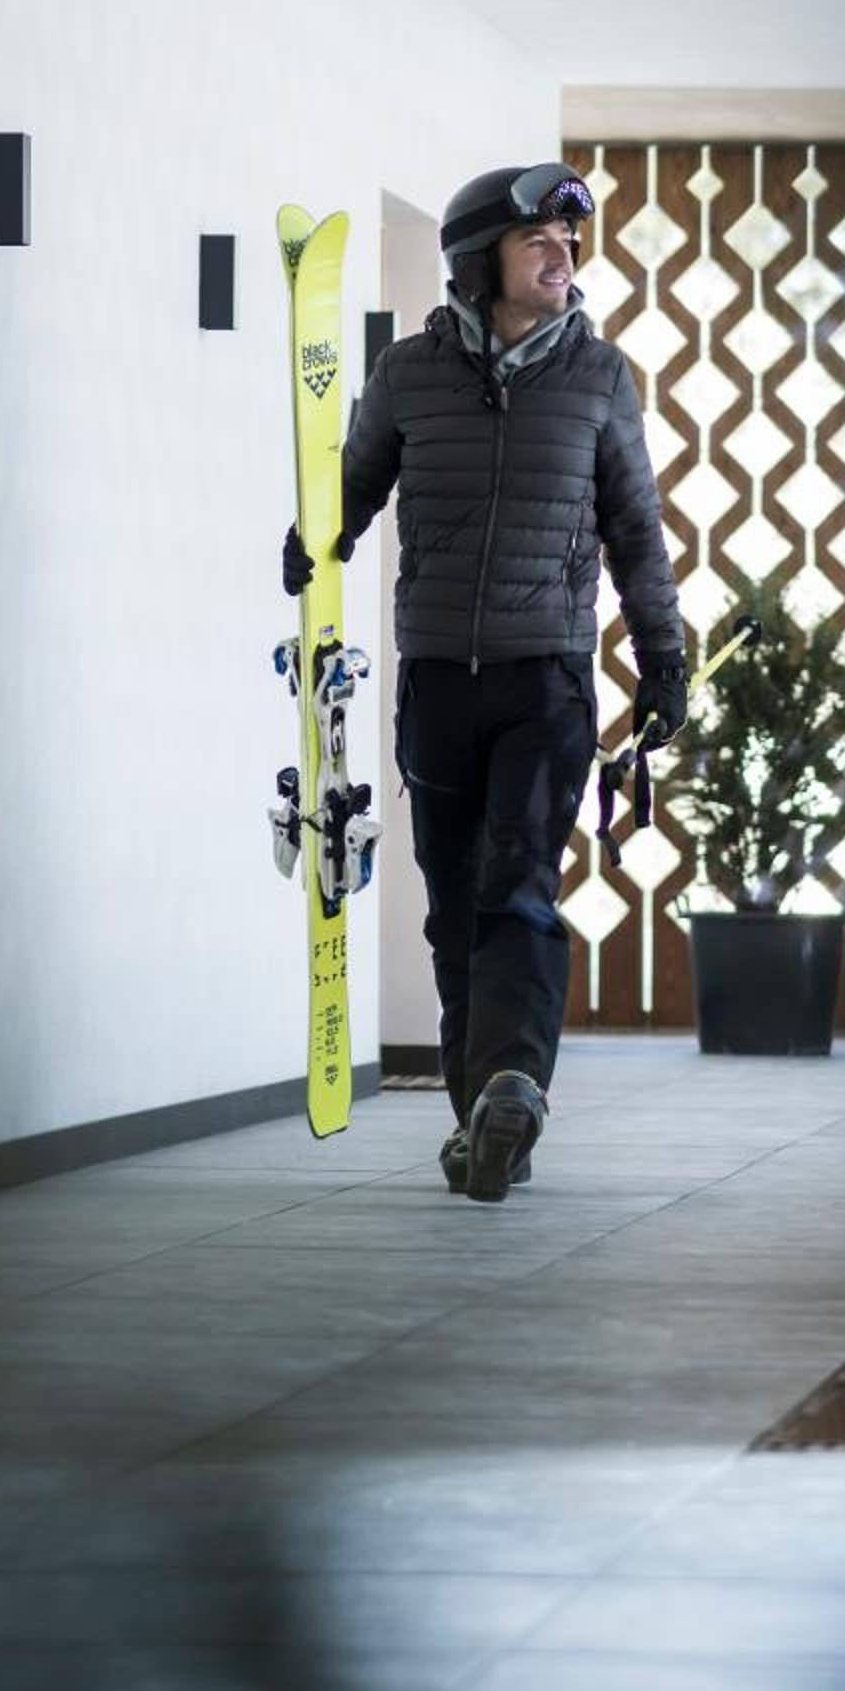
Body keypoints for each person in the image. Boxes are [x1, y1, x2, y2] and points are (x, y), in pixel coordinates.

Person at [282, 163, 687, 1202]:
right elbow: (357, 481)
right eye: (537, 242)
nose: (562, 258)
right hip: (435, 684)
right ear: (477, 262)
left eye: (567, 242)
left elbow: (636, 530)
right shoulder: (410, 374)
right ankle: (485, 1118)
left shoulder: (598, 378)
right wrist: (316, 537)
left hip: (545, 682)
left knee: (517, 888)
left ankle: (514, 1083)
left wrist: (662, 657)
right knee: (454, 913)